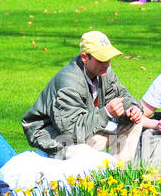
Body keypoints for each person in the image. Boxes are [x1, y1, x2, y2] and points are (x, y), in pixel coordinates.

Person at [22, 30, 144, 161]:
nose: (106, 64)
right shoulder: (68, 84)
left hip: (87, 129)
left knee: (135, 122)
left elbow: (121, 95)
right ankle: (98, 175)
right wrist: (106, 113)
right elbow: (72, 131)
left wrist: (132, 109)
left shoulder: (104, 71)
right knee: (93, 159)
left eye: (108, 58)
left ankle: (119, 173)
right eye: (101, 59)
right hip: (56, 138)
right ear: (85, 58)